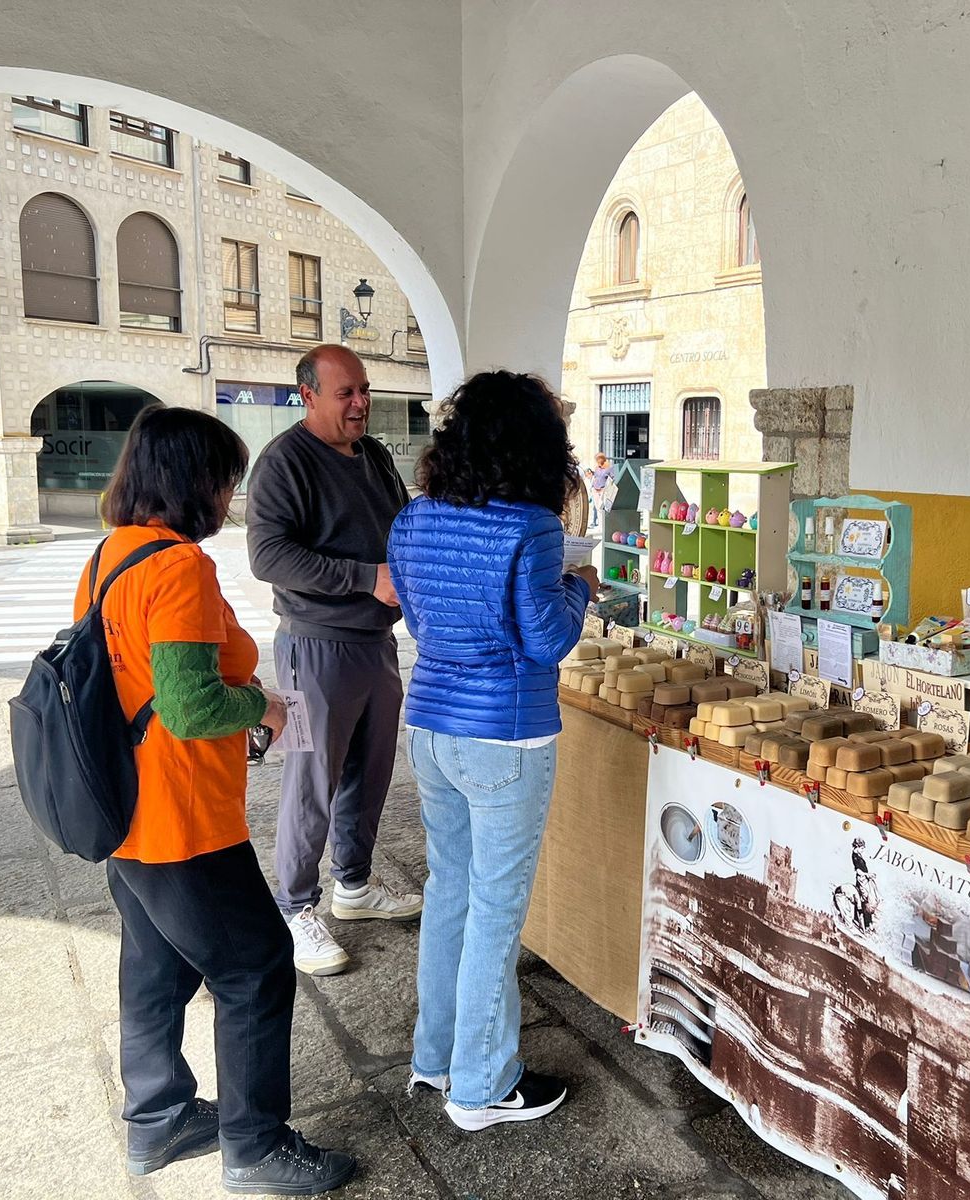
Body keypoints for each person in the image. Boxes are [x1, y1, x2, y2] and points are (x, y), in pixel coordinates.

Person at [84, 405, 355, 1195]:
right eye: (225, 478)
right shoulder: (176, 567)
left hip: (121, 803)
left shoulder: (113, 553)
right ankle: (255, 1146)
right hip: (181, 816)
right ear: (191, 481)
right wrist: (265, 709)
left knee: (157, 962)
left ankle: (158, 1117)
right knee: (258, 969)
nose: (231, 495)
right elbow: (192, 705)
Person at [387, 370, 599, 1131]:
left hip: (432, 725)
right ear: (540, 446)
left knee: (450, 892)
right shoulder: (531, 528)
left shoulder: (414, 519)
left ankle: (435, 1056)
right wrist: (580, 586)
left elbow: (414, 616)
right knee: (495, 912)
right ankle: (481, 1087)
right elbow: (547, 638)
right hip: (505, 732)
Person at [247, 344, 421, 977]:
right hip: (313, 645)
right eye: (345, 393)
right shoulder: (283, 462)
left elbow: (402, 527)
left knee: (370, 773)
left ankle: (354, 884)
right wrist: (362, 576)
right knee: (309, 781)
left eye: (364, 390)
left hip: (376, 640)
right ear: (308, 396)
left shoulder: (373, 456)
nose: (360, 403)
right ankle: (295, 907)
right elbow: (268, 557)